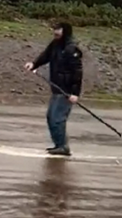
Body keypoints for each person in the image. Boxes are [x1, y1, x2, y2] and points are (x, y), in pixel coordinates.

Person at [24, 22, 83, 156]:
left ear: (65, 31)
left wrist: (75, 93)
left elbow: (78, 72)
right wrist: (33, 64)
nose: (55, 32)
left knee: (57, 118)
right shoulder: (55, 44)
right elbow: (45, 56)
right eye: (54, 29)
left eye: (58, 30)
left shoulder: (71, 49)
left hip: (66, 91)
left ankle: (63, 147)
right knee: (51, 116)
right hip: (56, 88)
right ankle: (58, 145)